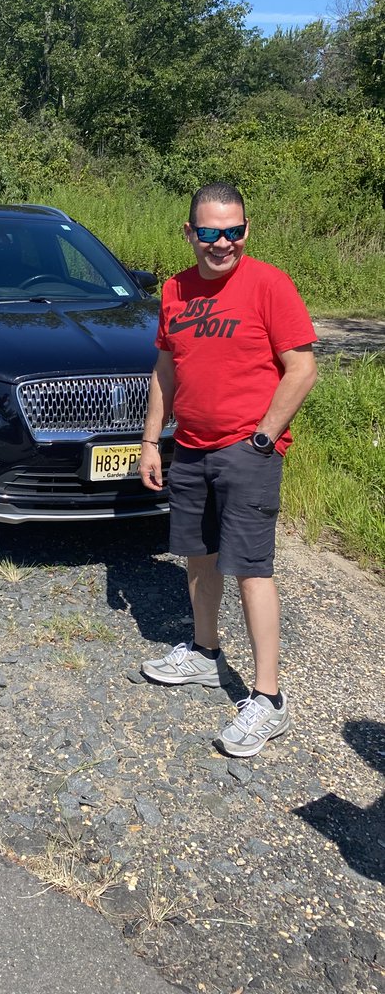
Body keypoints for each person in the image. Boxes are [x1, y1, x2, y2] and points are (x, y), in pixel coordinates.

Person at [138, 182, 317, 758]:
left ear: (246, 230)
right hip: (189, 448)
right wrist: (150, 442)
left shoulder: (269, 284)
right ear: (190, 233)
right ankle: (206, 653)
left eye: (233, 231)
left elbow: (302, 369)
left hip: (248, 451)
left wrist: (262, 438)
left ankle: (268, 698)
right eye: (211, 232)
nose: (223, 242)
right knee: (199, 554)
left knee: (251, 568)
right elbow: (165, 372)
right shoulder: (174, 290)